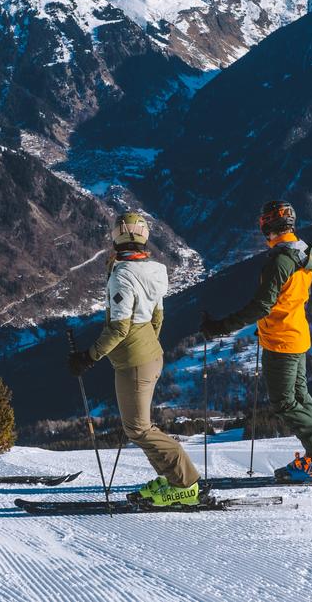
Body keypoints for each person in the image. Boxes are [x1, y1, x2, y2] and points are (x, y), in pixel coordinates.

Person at [68, 212, 203, 507]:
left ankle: (186, 482)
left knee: (139, 428)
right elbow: (157, 317)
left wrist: (88, 357)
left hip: (134, 361)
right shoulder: (155, 269)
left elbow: (119, 327)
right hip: (147, 355)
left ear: (116, 238)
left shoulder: (122, 275)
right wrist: (147, 345)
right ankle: (173, 480)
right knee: (138, 427)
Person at [201, 201, 312, 482]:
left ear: (268, 225)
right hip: (296, 333)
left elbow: (261, 306)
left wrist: (220, 327)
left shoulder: (280, 260)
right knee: (300, 397)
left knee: (285, 402)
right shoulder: (302, 251)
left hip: (282, 342)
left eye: (262, 221)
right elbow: (286, 298)